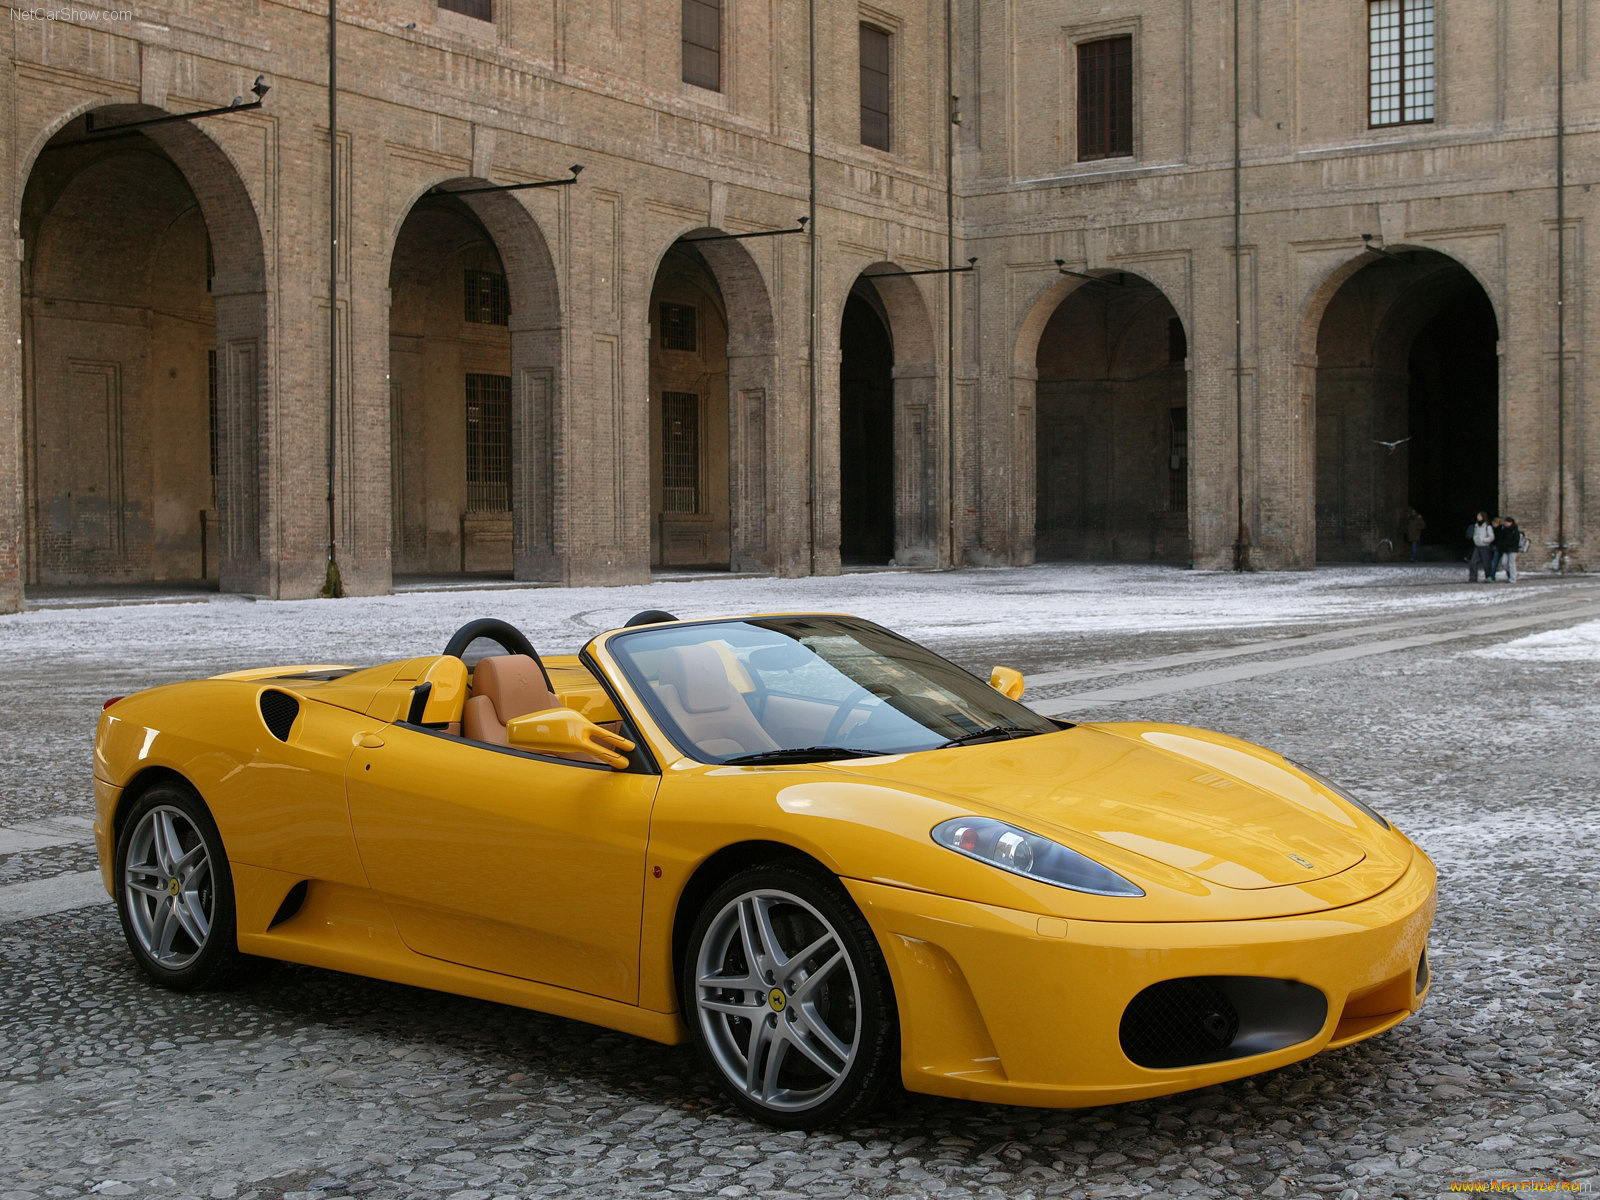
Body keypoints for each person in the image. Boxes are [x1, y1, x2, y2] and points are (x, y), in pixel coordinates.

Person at [1467, 512, 1495, 582]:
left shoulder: (1487, 526)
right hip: (1477, 546)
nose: (1478, 517)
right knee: (1472, 562)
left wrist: (1484, 540)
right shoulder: (1476, 526)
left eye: (1479, 516)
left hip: (1485, 546)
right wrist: (1475, 540)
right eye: (1478, 516)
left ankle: (1488, 577)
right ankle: (1473, 577)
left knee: (1486, 563)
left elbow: (1491, 537)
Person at [1495, 516, 1521, 582]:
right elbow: (1502, 538)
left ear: (1511, 523)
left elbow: (1516, 540)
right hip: (1505, 549)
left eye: (1507, 522)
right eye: (1505, 522)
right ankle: (1512, 574)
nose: (1506, 523)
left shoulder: (1515, 530)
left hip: (1513, 549)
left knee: (1511, 563)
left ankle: (1513, 578)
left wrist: (1510, 544)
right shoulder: (1504, 530)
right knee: (1504, 562)